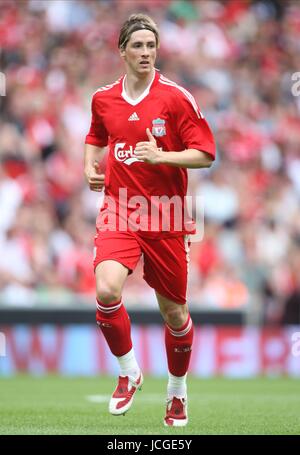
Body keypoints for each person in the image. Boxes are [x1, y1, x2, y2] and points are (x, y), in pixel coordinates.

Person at [84, 13, 215, 427]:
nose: (146, 53)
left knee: (174, 314)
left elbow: (206, 154)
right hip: (119, 208)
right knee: (106, 290)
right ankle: (128, 371)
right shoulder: (103, 98)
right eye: (138, 46)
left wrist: (162, 156)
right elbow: (95, 135)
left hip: (167, 215)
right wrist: (91, 166)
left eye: (151, 45)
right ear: (122, 50)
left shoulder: (177, 98)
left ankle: (177, 394)